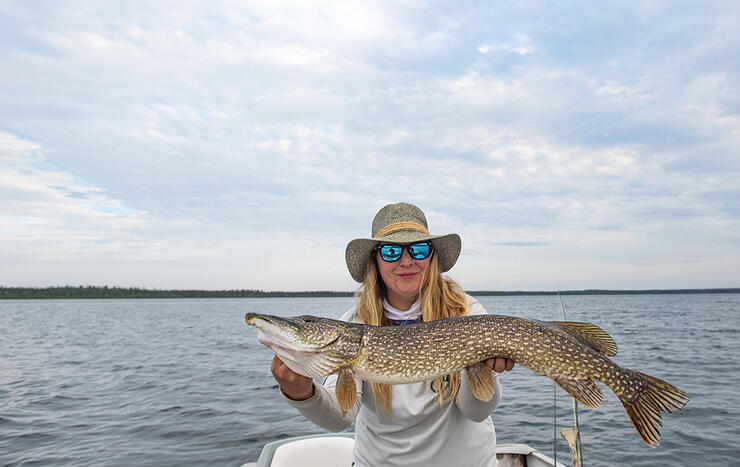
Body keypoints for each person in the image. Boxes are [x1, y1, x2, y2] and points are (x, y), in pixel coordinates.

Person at [269, 202, 515, 467]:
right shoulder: (354, 324)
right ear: (375, 260)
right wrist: (300, 392)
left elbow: (476, 413)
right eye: (391, 251)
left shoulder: (467, 312)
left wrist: (481, 369)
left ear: (432, 258)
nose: (406, 261)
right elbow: (340, 417)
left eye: (419, 249)